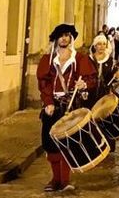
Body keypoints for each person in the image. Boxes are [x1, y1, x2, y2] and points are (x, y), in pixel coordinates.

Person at [37, 23, 97, 192]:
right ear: (57, 39)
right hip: (52, 107)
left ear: (71, 38)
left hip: (70, 107)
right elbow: (44, 83)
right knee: (50, 143)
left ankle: (64, 181)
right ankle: (55, 179)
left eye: (67, 35)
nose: (64, 38)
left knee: (66, 144)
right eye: (61, 35)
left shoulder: (79, 59)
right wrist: (48, 101)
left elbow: (91, 79)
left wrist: (83, 83)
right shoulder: (49, 59)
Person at [88, 34, 119, 151]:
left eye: (103, 44)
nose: (101, 47)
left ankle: (107, 145)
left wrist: (116, 76)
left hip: (105, 93)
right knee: (92, 119)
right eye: (99, 44)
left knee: (106, 118)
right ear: (95, 46)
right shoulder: (89, 59)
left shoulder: (110, 60)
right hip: (91, 94)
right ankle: (94, 145)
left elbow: (113, 76)